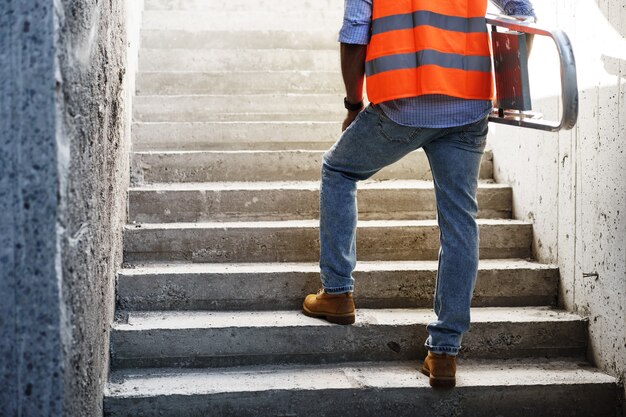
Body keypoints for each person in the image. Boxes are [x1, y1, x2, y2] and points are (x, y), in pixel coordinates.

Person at [302, 0, 536, 388]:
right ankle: (444, 352)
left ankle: (338, 293)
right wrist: (510, 90)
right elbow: (522, 13)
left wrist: (353, 104)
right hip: (467, 106)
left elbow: (354, 35)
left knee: (338, 169)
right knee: (460, 222)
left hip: (401, 105)